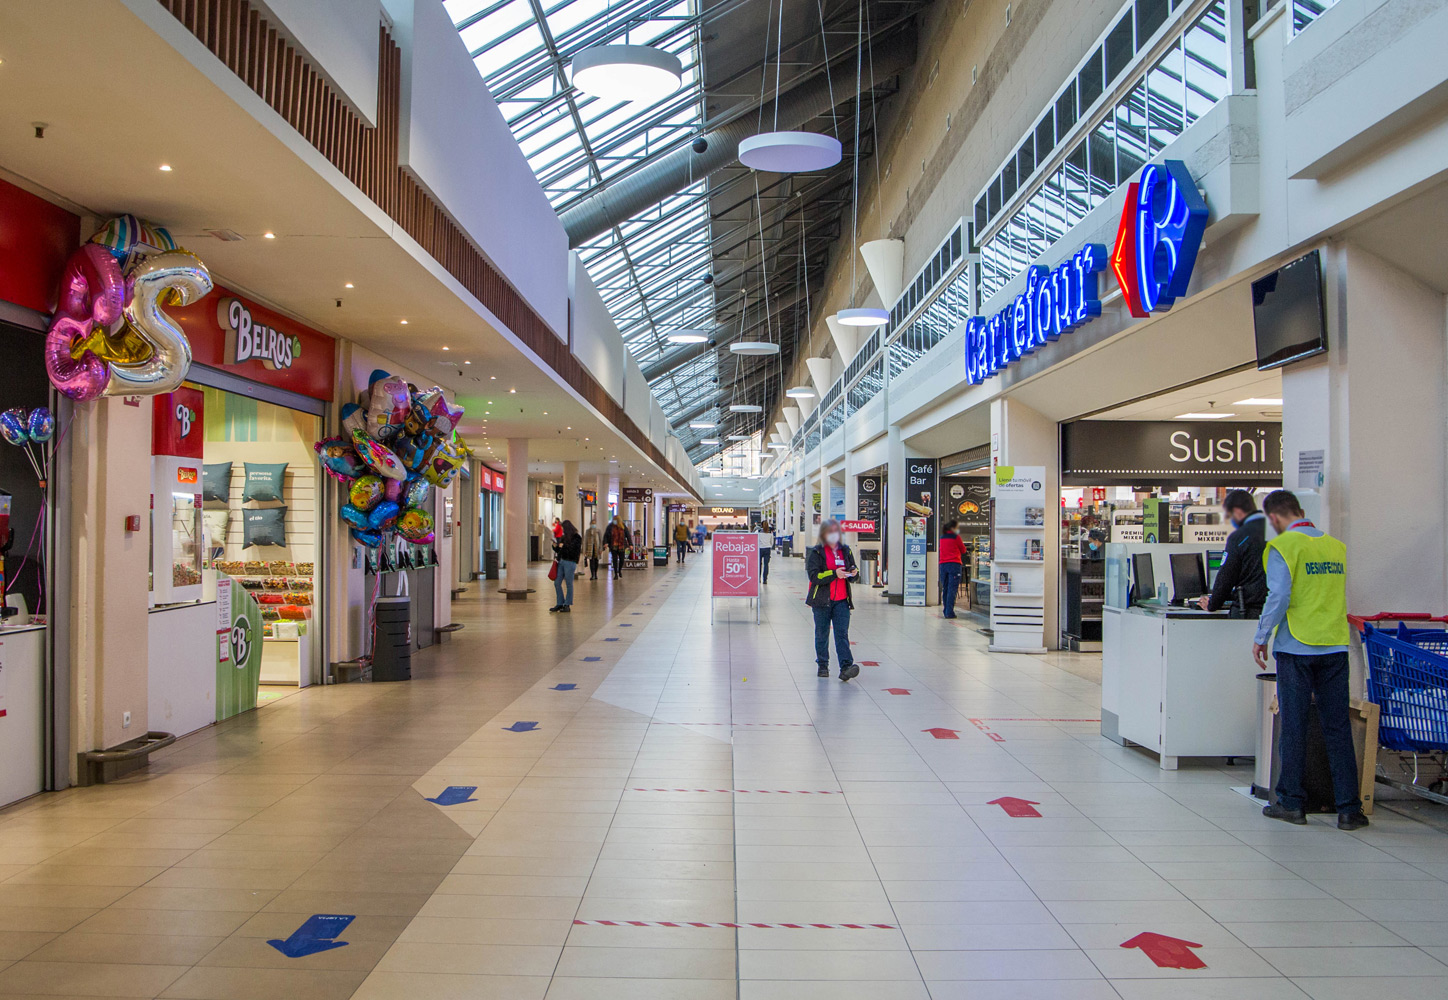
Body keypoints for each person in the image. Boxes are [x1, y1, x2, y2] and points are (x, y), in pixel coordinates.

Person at [1252, 490, 1367, 830]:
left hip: (1297, 647)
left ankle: (1291, 802)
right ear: (1301, 511)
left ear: (1273, 519)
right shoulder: (1335, 546)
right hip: (1334, 646)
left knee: (1294, 724)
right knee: (1337, 727)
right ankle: (1349, 809)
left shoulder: (1284, 547)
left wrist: (1261, 637)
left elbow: (1279, 596)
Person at [1196, 489, 1268, 617]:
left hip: (1248, 611)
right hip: (1275, 608)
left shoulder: (1240, 537)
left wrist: (1212, 604)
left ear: (1237, 511)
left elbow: (1226, 577)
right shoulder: (1277, 530)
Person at [805, 519, 859, 681]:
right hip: (822, 600)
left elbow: (851, 573)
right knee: (822, 633)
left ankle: (846, 666)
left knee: (841, 633)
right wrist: (834, 574)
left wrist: (853, 574)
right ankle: (823, 664)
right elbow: (814, 577)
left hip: (842, 600)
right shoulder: (817, 553)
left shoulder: (846, 551)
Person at [550, 520, 581, 613]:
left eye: (563, 529)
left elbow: (575, 550)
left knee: (569, 584)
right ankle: (560, 603)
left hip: (570, 562)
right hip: (561, 561)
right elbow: (559, 550)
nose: (563, 531)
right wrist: (555, 546)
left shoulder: (577, 537)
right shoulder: (563, 537)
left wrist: (564, 546)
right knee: (557, 582)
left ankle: (567, 604)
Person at [938, 519, 966, 619]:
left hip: (943, 565)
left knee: (945, 588)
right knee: (952, 589)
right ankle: (949, 612)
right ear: (953, 528)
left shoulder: (942, 538)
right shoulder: (956, 537)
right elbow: (963, 549)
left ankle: (946, 610)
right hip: (954, 564)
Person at [759, 520, 773, 585]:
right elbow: (772, 542)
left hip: (760, 549)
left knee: (759, 564)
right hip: (767, 549)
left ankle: (758, 578)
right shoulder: (770, 533)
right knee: (766, 565)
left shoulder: (758, 532)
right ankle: (765, 580)